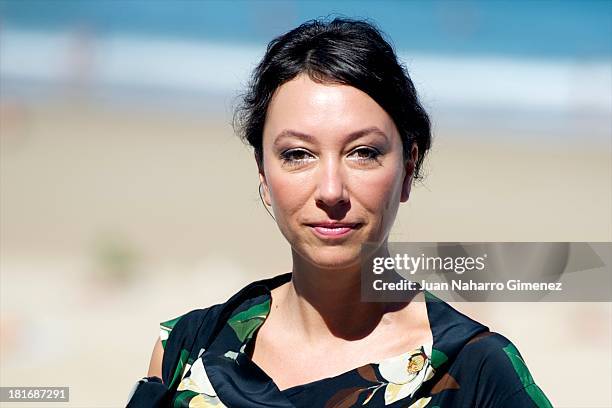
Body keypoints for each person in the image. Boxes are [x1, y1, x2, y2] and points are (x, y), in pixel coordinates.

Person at [126, 17, 553, 408]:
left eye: (363, 153)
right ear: (263, 174)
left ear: (408, 168)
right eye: (297, 154)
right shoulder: (187, 352)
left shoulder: (476, 371)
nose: (331, 191)